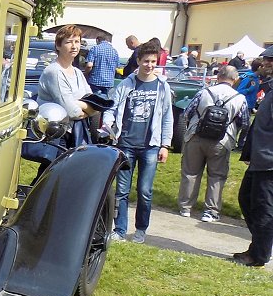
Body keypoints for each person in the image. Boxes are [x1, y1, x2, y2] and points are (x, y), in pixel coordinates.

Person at [102, 38, 173, 243]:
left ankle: (141, 228)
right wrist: (109, 127)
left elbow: (168, 116)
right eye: (146, 61)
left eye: (153, 62)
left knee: (144, 191)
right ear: (138, 61)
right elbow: (112, 109)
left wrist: (165, 144)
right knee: (122, 191)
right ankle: (120, 229)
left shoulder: (162, 87)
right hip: (126, 145)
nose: (149, 65)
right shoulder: (126, 85)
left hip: (150, 146)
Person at [176, 64, 250, 222]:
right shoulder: (239, 98)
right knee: (217, 176)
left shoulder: (204, 92)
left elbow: (187, 113)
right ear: (235, 79)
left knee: (190, 173)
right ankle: (211, 211)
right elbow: (244, 122)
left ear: (218, 77)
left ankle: (185, 207)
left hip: (196, 136)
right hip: (222, 141)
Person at [235, 46, 273, 267]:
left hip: (268, 162)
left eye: (270, 60)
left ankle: (259, 255)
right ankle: (259, 246)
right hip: (260, 158)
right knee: (246, 199)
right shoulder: (269, 88)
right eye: (266, 58)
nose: (265, 62)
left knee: (263, 209)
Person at [37, 24, 98, 148]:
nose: (74, 46)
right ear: (58, 46)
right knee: (53, 167)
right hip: (57, 136)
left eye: (77, 41)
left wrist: (79, 104)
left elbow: (95, 103)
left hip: (76, 132)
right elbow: (73, 112)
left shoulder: (78, 72)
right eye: (69, 42)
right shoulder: (54, 72)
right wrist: (85, 108)